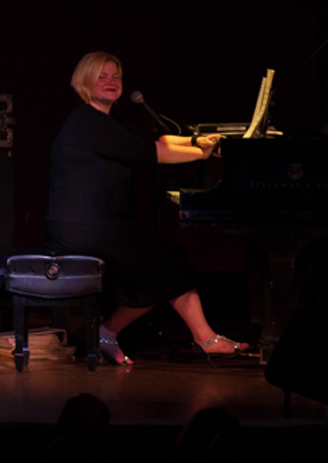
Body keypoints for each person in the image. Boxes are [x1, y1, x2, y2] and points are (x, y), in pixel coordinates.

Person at [45, 51, 249, 364]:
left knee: (165, 263)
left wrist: (198, 141)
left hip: (101, 223)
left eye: (116, 77)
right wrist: (201, 152)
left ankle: (111, 333)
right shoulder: (89, 123)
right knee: (166, 263)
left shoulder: (109, 120)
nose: (112, 83)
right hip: (82, 226)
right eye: (103, 76)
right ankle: (201, 338)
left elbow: (158, 138)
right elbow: (152, 152)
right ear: (86, 81)